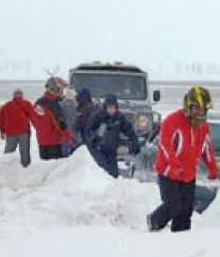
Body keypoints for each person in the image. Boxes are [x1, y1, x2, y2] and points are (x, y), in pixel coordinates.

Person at [148, 86, 217, 233]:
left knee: (186, 210)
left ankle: (181, 239)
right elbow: (165, 145)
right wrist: (174, 165)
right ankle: (154, 222)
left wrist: (212, 167)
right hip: (168, 173)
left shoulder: (203, 127)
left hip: (188, 174)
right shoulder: (172, 121)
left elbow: (206, 148)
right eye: (196, 108)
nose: (200, 113)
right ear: (188, 106)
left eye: (203, 110)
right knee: (173, 205)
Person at [84, 95, 139, 178]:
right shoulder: (98, 116)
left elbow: (129, 130)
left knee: (113, 174)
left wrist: (134, 141)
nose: (111, 110)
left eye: (113, 107)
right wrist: (94, 137)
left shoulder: (119, 118)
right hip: (98, 150)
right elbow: (88, 131)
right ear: (105, 107)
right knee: (102, 172)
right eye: (109, 107)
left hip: (112, 150)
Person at [27, 77, 74, 160]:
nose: (62, 93)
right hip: (54, 143)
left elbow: (33, 120)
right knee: (56, 170)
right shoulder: (53, 105)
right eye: (61, 90)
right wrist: (70, 139)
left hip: (42, 141)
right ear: (54, 89)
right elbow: (61, 125)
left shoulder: (38, 103)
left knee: (46, 168)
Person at [0, 88, 33, 167]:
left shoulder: (6, 106)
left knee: (9, 151)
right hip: (23, 132)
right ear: (22, 95)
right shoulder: (27, 104)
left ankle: (5, 166)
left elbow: (0, 119)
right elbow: (33, 116)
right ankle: (26, 167)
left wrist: (1, 131)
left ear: (13, 95)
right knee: (24, 151)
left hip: (10, 132)